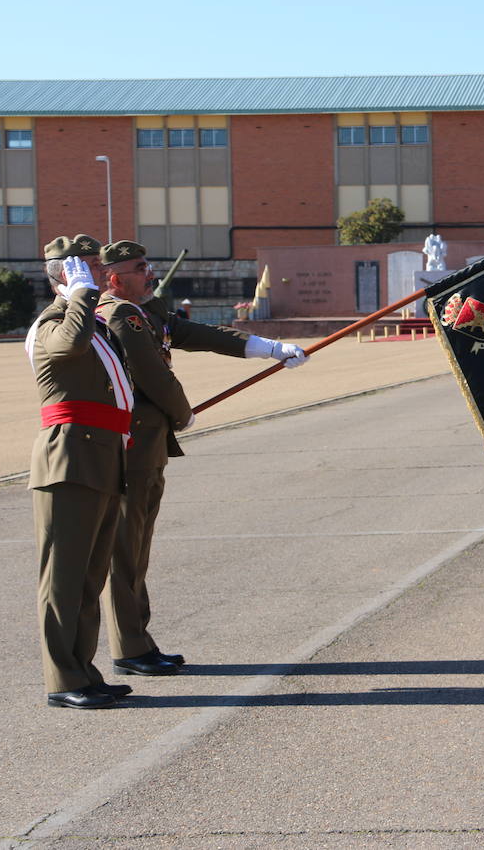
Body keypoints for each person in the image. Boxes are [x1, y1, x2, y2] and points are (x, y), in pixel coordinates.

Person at [95, 241, 308, 677]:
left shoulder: (143, 312)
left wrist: (267, 347)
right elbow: (154, 377)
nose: (151, 273)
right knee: (125, 550)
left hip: (147, 445)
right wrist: (183, 413)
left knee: (136, 549)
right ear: (116, 280)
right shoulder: (119, 315)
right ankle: (129, 648)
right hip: (130, 445)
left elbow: (197, 335)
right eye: (140, 269)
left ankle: (137, 642)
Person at [27, 234, 132, 710]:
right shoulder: (53, 322)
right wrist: (79, 294)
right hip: (68, 460)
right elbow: (70, 346)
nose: (96, 274)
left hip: (102, 456)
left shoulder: (93, 323)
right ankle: (62, 679)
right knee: (63, 579)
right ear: (65, 277)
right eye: (86, 267)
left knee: (90, 577)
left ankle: (84, 671)